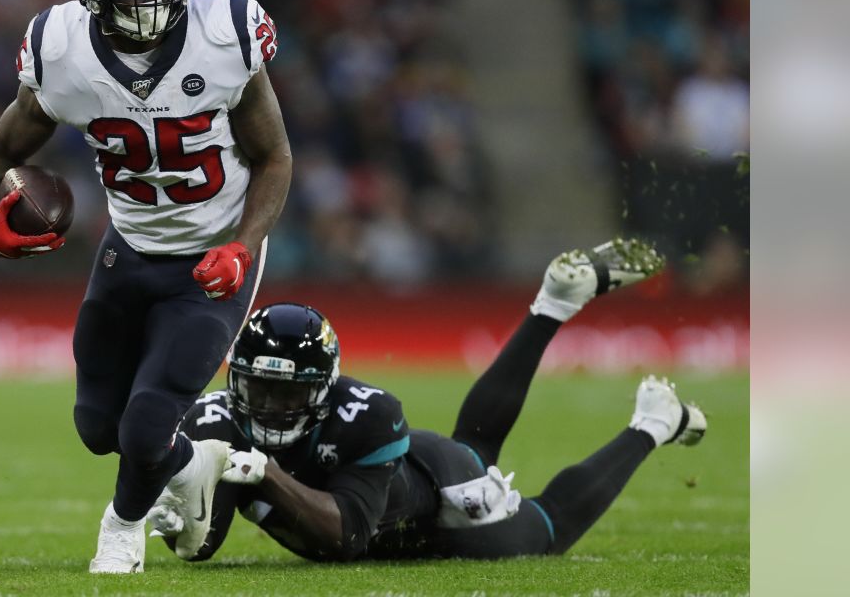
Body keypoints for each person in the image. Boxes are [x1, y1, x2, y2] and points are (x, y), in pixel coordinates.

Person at [0, 0, 291, 574]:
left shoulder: (225, 31)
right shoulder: (62, 52)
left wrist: (243, 245)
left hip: (211, 259)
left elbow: (274, 158)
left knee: (146, 424)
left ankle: (123, 527)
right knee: (97, 429)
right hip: (129, 248)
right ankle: (193, 465)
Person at [149, 238, 708, 562]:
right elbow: (199, 545)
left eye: (286, 391)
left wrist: (264, 472)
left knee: (547, 526)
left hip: (436, 503)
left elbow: (346, 537)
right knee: (479, 440)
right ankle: (554, 304)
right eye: (257, 387)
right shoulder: (213, 420)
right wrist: (180, 502)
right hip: (372, 493)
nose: (268, 406)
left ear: (324, 389)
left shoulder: (369, 414)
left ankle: (653, 423)